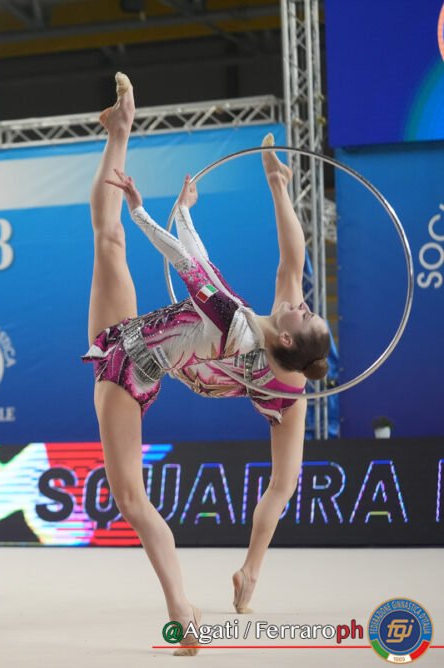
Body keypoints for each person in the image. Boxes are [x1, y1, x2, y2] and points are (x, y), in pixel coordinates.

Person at [83, 73, 330, 655]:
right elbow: (229, 262)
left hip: (133, 358)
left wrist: (159, 211)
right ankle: (191, 605)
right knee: (107, 237)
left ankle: (183, 607)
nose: (302, 305)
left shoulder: (247, 323)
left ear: (291, 343)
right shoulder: (273, 350)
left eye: (306, 316)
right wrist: (209, 205)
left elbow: (187, 260)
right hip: (160, 362)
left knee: (109, 234)